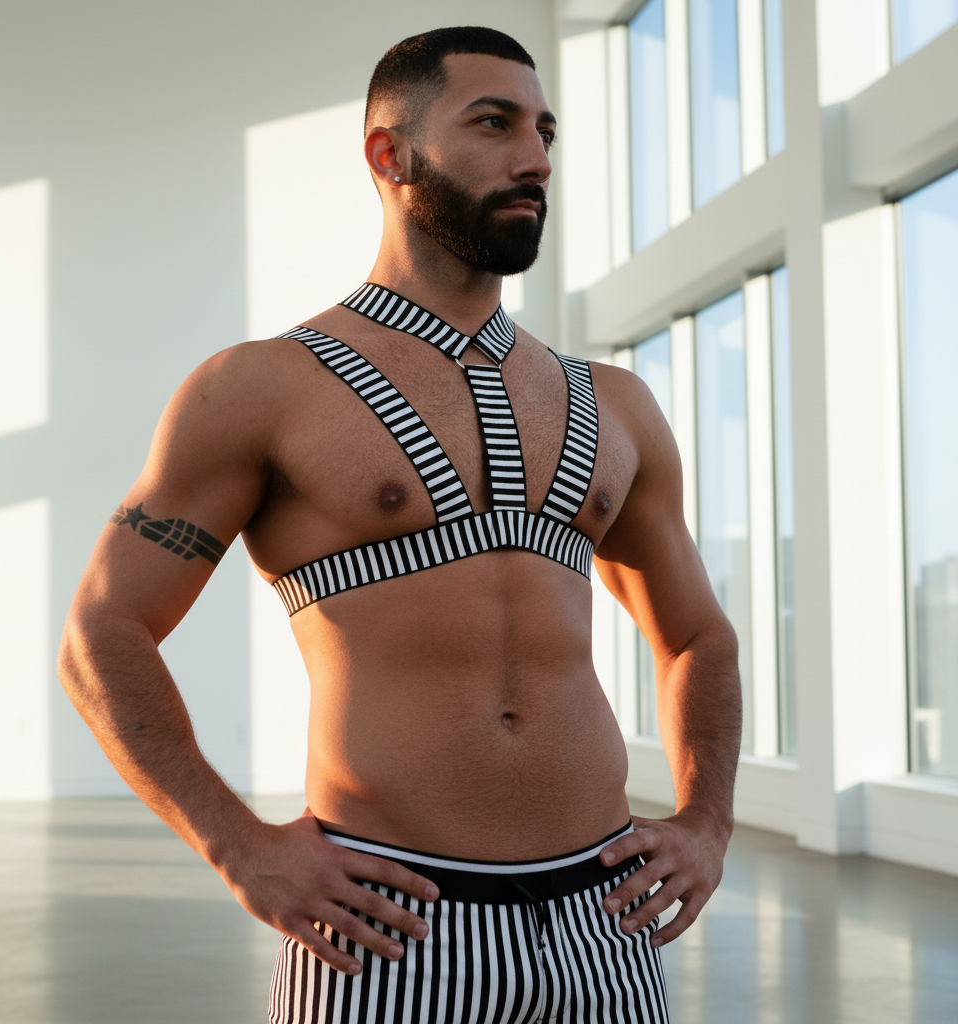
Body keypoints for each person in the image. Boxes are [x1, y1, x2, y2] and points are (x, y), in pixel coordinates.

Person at [58, 25, 741, 1024]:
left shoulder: (616, 404)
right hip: (388, 931)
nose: (536, 158)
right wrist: (236, 844)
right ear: (389, 153)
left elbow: (698, 636)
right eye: (494, 123)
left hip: (607, 926)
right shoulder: (258, 389)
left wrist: (707, 824)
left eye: (544, 131)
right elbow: (100, 636)